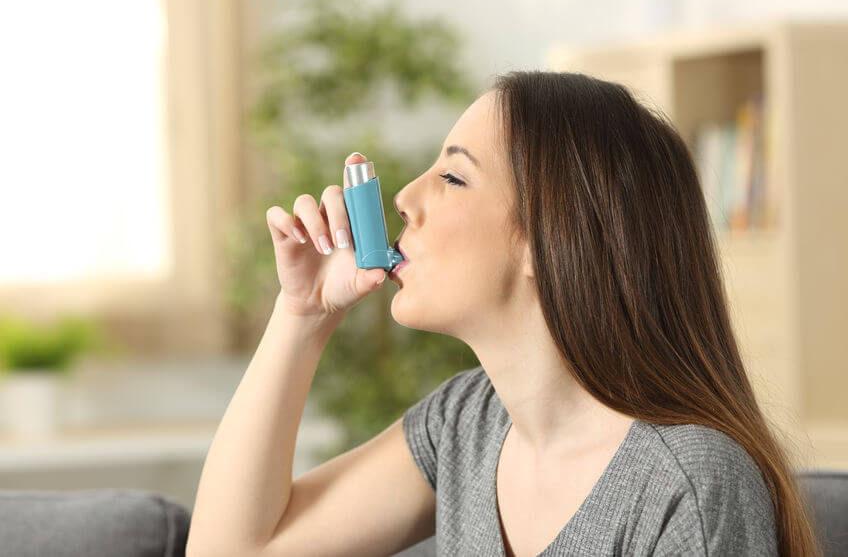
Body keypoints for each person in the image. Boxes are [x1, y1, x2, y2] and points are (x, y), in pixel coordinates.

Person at [186, 71, 820, 556]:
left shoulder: (687, 481)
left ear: (551, 239)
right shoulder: (466, 424)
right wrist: (301, 315)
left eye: (453, 178)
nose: (404, 198)